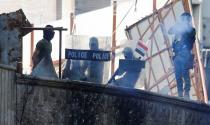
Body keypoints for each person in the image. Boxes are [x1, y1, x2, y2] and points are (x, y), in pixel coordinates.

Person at [168, 12, 196, 99]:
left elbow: (191, 34)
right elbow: (169, 31)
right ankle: (180, 94)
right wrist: (178, 26)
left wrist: (184, 27)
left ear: (188, 20)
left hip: (185, 54)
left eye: (184, 19)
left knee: (185, 74)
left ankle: (186, 93)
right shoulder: (179, 29)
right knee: (178, 75)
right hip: (177, 56)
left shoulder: (191, 30)